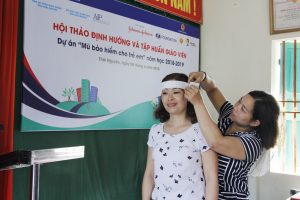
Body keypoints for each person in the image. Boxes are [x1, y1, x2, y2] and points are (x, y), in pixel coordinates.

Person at [185, 71, 280, 199]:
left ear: (255, 122)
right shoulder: (230, 116)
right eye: (240, 101)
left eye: (243, 109)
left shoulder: (252, 143)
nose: (236, 107)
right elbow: (212, 89)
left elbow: (216, 143)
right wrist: (204, 77)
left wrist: (198, 102)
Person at [142, 73, 218, 200]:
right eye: (165, 93)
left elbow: (211, 177)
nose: (169, 98)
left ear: (188, 95)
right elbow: (149, 173)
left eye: (176, 92)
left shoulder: (201, 131)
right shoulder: (155, 131)